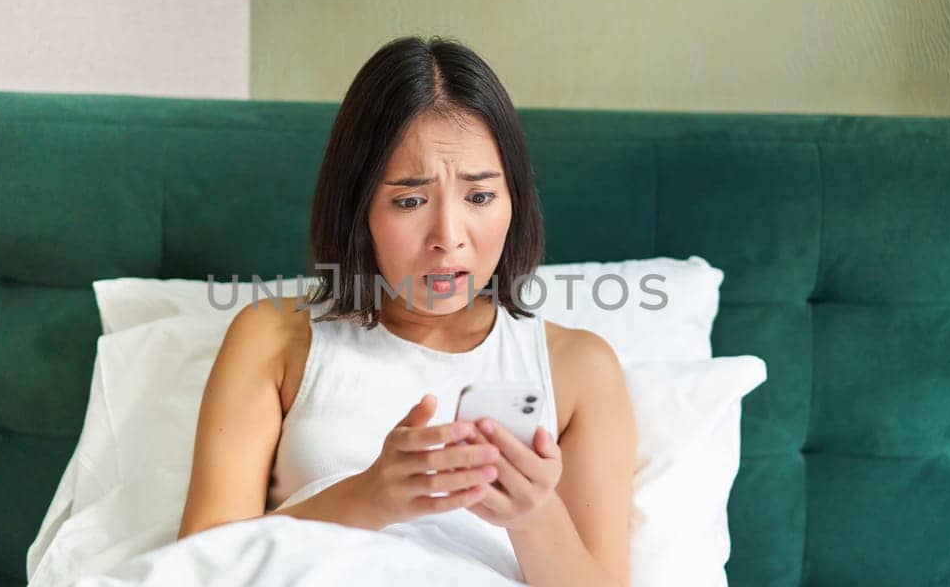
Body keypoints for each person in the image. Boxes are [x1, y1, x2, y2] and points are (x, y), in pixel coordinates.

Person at [177, 35, 634, 587]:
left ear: (515, 202)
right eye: (410, 200)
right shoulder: (274, 336)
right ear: (358, 208)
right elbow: (197, 565)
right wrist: (369, 498)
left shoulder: (581, 366)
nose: (448, 238)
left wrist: (532, 517)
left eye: (481, 197)